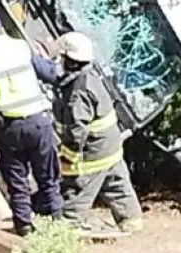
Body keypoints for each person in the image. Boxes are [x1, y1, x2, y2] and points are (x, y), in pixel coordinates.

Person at [0, 11, 62, 237]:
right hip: (39, 123)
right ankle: (58, 226)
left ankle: (24, 227)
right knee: (48, 178)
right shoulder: (20, 47)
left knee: (17, 182)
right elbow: (50, 74)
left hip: (10, 130)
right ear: (1, 29)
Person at [52, 31, 143, 233]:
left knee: (77, 190)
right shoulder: (92, 77)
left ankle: (68, 228)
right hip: (112, 147)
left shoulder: (78, 93)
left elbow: (77, 130)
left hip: (94, 154)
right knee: (118, 187)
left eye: (62, 58)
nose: (59, 62)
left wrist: (67, 158)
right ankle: (132, 224)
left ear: (72, 61)